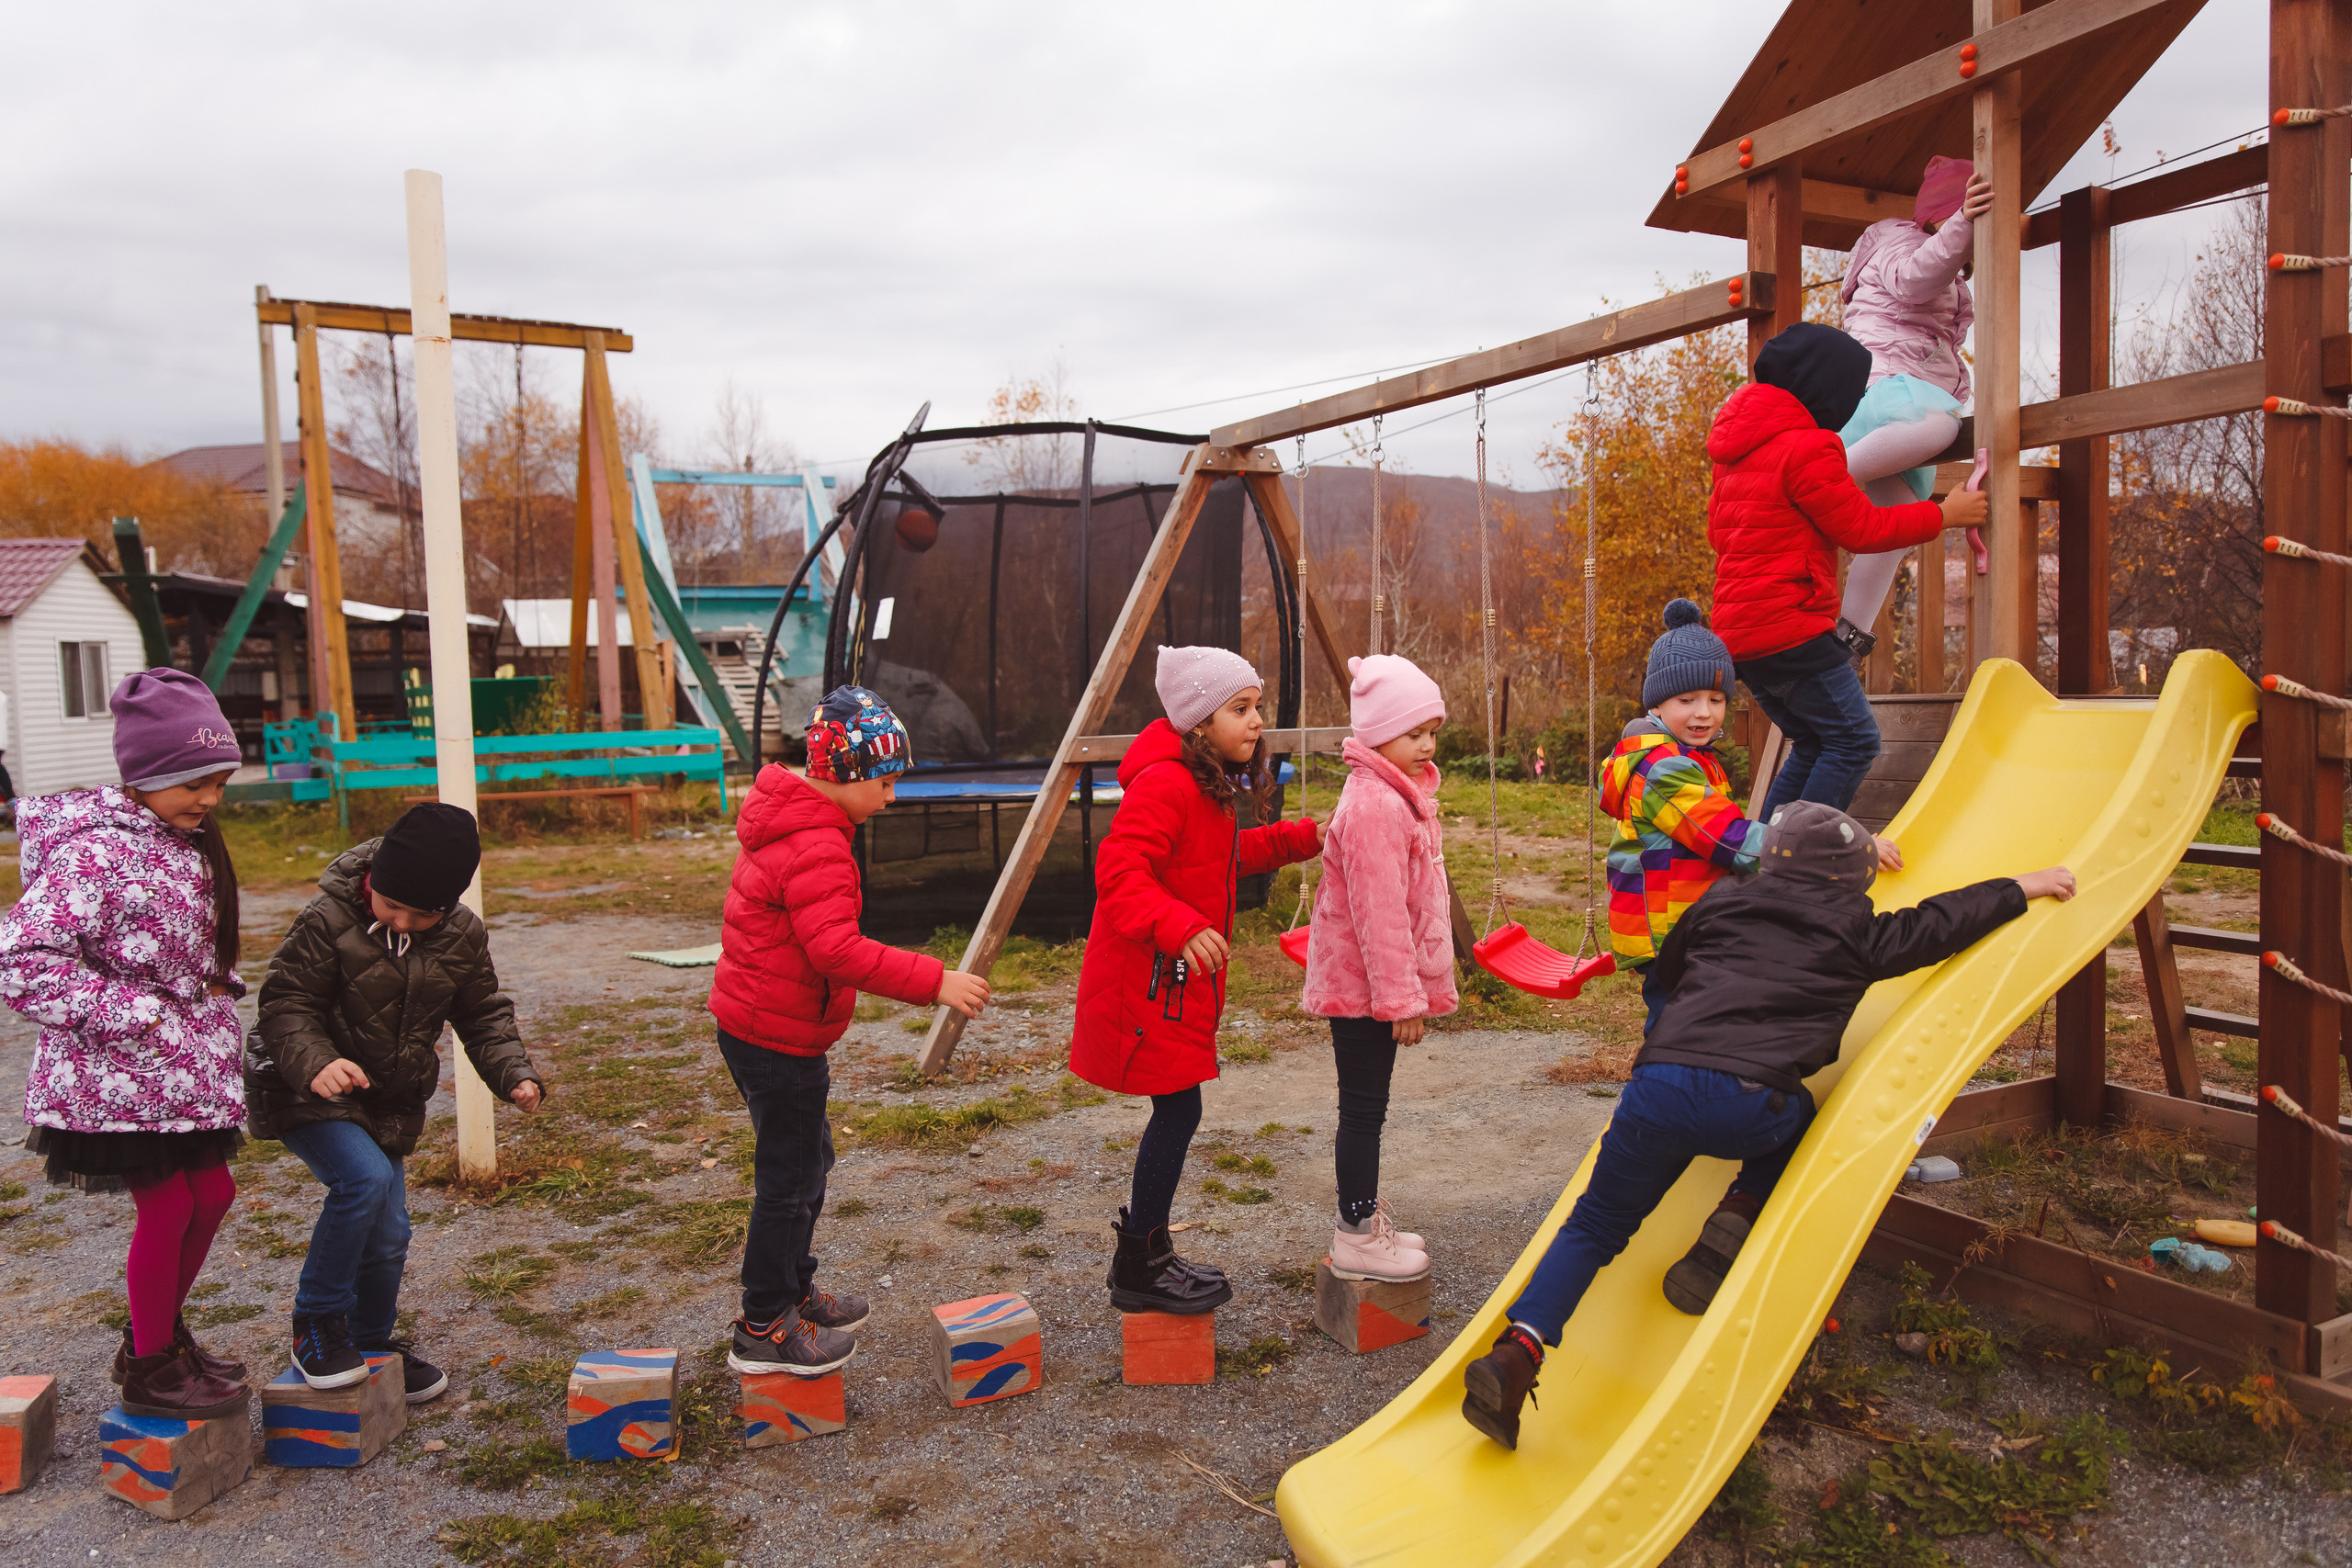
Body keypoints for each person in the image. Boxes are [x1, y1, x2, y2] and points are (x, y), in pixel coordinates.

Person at [1459, 801, 2075, 1449]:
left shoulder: (1719, 905)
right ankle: (1742, 1205)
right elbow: (1941, 923)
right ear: (1855, 881)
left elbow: (1670, 974)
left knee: (1594, 1225)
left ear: (1767, 862)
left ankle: (1518, 1347)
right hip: (1754, 1104)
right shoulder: (1856, 933)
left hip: (1659, 1087)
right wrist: (2021, 886)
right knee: (1807, 1113)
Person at [707, 685, 989, 1376]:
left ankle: (792, 1291)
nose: (892, 797)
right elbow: (836, 950)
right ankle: (764, 1323)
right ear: (847, 774)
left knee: (807, 1166)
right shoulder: (818, 846)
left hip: (761, 1025)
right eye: (887, 782)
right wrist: (935, 980)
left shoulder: (794, 823)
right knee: (790, 1178)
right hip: (779, 1041)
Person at [0, 669, 249, 1418]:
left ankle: (160, 1337)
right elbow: (21, 961)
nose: (208, 798)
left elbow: (182, 940)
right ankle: (148, 1365)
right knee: (168, 1205)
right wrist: (129, 1010)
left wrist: (214, 986)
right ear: (142, 775)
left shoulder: (186, 839)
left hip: (181, 1063)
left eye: (218, 781)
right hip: (114, 1070)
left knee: (216, 1192)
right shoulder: (92, 853)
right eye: (191, 782)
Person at [244, 802, 542, 1400]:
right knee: (363, 1180)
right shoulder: (327, 919)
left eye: (422, 913)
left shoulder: (461, 935)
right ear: (371, 880)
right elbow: (285, 1004)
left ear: (449, 905)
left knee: (390, 1231)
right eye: (390, 905)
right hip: (307, 1083)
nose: (402, 922)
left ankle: (370, 1339)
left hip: (387, 1101)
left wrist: (513, 1072)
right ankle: (317, 1326)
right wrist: (317, 1062)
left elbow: (483, 1014)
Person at [1071, 646, 1323, 1314]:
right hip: (1146, 980)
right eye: (1240, 708)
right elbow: (1120, 872)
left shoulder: (1204, 783)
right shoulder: (1166, 783)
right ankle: (1139, 1263)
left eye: (1258, 706)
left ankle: (1147, 1254)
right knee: (1179, 1107)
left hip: (1171, 979)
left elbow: (1225, 857)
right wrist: (1179, 925)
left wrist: (1306, 837)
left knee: (1179, 1107)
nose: (1257, 721)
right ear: (1196, 721)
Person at [1707, 321, 1990, 817]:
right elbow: (1861, 530)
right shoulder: (1809, 447)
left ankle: (1763, 851)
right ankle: (1803, 856)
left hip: (1741, 636)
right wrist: (1943, 515)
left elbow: (1721, 536)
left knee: (1815, 743)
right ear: (1829, 392)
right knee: (1856, 741)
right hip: (1789, 628)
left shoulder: (1736, 456)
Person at [1300, 654, 1453, 1282]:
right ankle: (1356, 1232)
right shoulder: (1373, 807)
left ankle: (1361, 1220)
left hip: (1368, 988)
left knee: (1369, 1107)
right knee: (1363, 1111)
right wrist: (1403, 999)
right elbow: (1380, 913)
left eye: (1432, 732)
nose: (1428, 745)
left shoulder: (1393, 796)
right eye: (1415, 732)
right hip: (1364, 990)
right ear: (1378, 732)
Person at [1837, 155, 1997, 650]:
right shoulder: (1904, 244)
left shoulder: (1943, 266)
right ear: (1946, 217)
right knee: (1940, 426)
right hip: (1885, 387)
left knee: (1899, 520)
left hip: (1893, 399)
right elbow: (1917, 277)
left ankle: (1845, 632)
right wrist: (1963, 223)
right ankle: (1824, 477)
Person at [1601, 600, 1773, 1035]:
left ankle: (1676, 1087)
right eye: (1687, 699)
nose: (1704, 712)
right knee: (1680, 1025)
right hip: (1670, 925)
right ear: (1656, 706)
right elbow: (1724, 837)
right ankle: (1660, 1095)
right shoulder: (1662, 767)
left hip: (1684, 918)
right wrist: (1807, 852)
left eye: (1716, 700)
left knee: (1691, 1020)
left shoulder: (1691, 756)